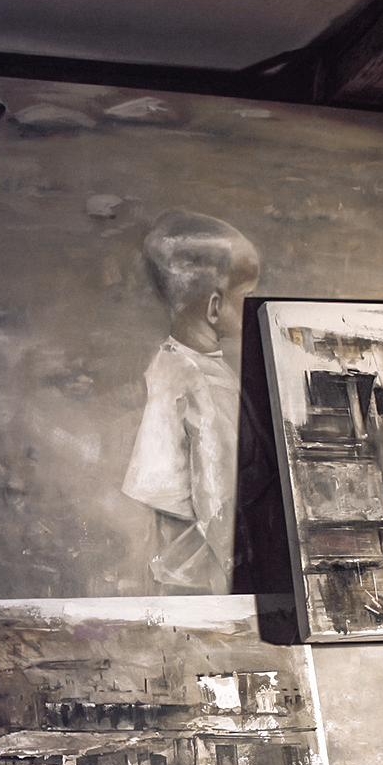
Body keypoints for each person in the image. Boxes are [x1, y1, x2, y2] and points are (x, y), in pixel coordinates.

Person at [122, 211, 261, 594]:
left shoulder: (168, 362)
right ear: (215, 307)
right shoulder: (205, 383)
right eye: (247, 296)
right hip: (211, 574)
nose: (252, 305)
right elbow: (220, 500)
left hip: (175, 566)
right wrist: (249, 571)